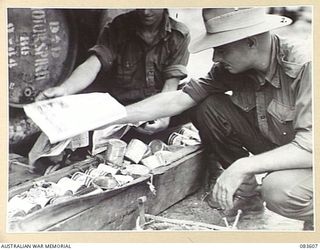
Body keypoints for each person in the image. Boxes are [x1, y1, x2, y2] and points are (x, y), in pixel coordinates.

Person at [111, 7, 313, 230]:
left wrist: (243, 166)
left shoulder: (306, 66)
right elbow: (179, 99)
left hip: (309, 156)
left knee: (279, 190)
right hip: (285, 148)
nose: (216, 57)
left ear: (251, 42)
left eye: (222, 48)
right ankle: (245, 191)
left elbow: (309, 147)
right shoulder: (234, 67)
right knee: (207, 106)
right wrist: (110, 115)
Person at [36, 9, 190, 136]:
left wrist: (164, 116)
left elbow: (171, 85)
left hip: (155, 110)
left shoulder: (179, 35)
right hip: (119, 112)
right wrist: (65, 89)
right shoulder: (119, 27)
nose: (145, 11)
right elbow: (93, 64)